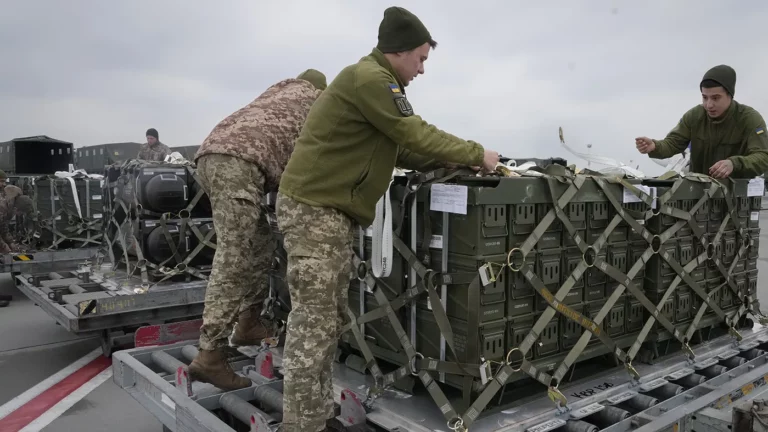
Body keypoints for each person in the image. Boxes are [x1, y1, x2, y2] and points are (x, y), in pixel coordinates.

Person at [275, 6, 500, 431]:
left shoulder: (375, 84)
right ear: (398, 52)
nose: (422, 69)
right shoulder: (371, 80)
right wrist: (475, 152)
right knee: (315, 324)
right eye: (421, 58)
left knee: (328, 321)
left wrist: (462, 166)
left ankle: (317, 416)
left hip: (327, 213)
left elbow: (406, 150)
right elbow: (413, 132)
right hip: (315, 211)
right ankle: (301, 424)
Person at [187, 69, 327, 391]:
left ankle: (248, 321)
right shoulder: (316, 102)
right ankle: (210, 355)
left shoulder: (279, 92)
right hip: (238, 162)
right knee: (234, 255)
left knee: (261, 242)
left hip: (212, 155)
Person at [636, 65, 768, 179]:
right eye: (705, 97)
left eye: (716, 98)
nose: (709, 104)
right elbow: (673, 143)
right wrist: (655, 146)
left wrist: (734, 164)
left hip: (736, 195)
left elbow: (763, 157)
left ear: (730, 95)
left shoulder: (749, 119)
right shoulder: (695, 116)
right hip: (699, 196)